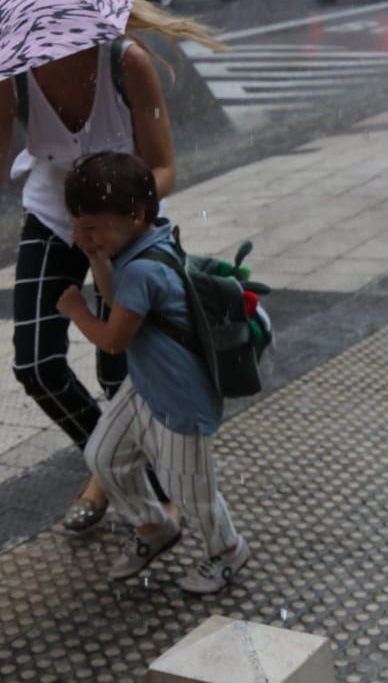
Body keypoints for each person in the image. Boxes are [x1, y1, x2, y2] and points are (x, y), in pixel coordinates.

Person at [0, 0, 223, 535]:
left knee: (118, 369)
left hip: (131, 227)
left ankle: (121, 483)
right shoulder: (9, 80)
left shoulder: (127, 63)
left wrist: (125, 215)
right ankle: (114, 471)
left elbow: (165, 168)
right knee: (36, 365)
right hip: (55, 221)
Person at [56, 151, 250, 595]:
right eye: (78, 224)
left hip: (180, 402)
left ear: (136, 214)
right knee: (104, 457)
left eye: (92, 226)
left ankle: (228, 550)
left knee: (193, 493)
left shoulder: (143, 267)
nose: (82, 235)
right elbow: (119, 296)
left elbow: (113, 338)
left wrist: (75, 310)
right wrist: (97, 257)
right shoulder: (143, 243)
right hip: (144, 387)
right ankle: (152, 526)